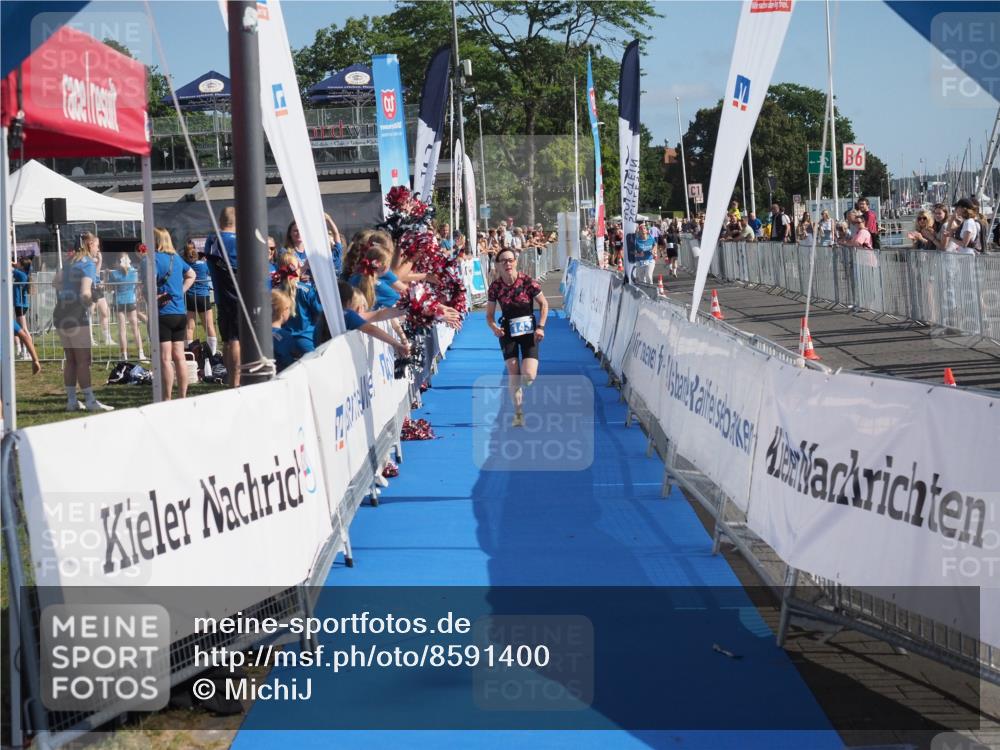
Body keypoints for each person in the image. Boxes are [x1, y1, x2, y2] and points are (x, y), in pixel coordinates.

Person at [486, 247, 549, 427]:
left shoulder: (527, 281)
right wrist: (494, 328)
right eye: (503, 261)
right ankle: (519, 413)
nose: (507, 263)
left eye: (510, 260)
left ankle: (521, 384)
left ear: (516, 262)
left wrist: (541, 327)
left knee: (528, 375)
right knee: (513, 372)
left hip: (529, 330)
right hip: (507, 331)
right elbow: (489, 315)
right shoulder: (495, 287)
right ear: (497, 265)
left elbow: (544, 304)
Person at [53, 233, 113, 412]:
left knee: (70, 359)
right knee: (83, 360)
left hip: (61, 312)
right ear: (89, 245)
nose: (98, 249)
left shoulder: (70, 262)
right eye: (97, 246)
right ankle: (89, 400)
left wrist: (68, 291)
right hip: (76, 314)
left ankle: (72, 401)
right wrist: (92, 300)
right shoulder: (87, 264)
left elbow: (55, 283)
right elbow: (85, 293)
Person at [153, 228, 196, 400]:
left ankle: (167, 397)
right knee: (179, 356)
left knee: (165, 358)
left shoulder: (154, 259)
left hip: (163, 312)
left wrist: (154, 295)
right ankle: (183, 396)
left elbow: (149, 282)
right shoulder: (176, 258)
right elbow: (191, 274)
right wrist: (180, 290)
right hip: (179, 312)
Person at [204, 206, 241, 387]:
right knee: (235, 340)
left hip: (220, 297)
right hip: (237, 297)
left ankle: (228, 379)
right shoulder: (240, 241)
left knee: (227, 340)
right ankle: (236, 381)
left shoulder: (212, 240)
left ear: (220, 221)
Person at [108, 253, 146, 361]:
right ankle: (141, 353)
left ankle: (124, 354)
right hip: (130, 302)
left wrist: (109, 274)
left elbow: (109, 287)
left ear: (118, 262)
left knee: (122, 330)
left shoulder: (114, 274)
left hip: (119, 302)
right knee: (135, 328)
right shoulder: (133, 272)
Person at [183, 240, 217, 355]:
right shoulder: (204, 265)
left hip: (190, 297)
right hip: (203, 297)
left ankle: (190, 354)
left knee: (189, 328)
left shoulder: (185, 265)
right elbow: (210, 273)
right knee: (209, 326)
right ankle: (212, 353)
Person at [12, 257, 30, 360]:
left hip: (21, 305)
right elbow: (14, 266)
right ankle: (23, 351)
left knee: (23, 329)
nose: (16, 263)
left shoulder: (21, 274)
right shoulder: (23, 273)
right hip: (20, 305)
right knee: (20, 328)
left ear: (22, 265)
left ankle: (27, 352)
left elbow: (10, 268)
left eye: (18, 262)